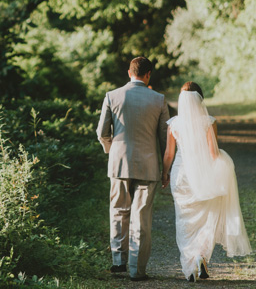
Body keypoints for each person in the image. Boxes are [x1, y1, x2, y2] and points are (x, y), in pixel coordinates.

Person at [162, 82, 252, 282]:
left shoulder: (174, 124)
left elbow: (169, 154)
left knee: (184, 220)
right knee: (206, 218)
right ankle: (200, 257)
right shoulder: (209, 122)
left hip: (181, 175)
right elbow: (213, 153)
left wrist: (164, 174)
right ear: (200, 100)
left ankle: (190, 265)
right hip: (202, 175)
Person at [96, 56, 169, 281]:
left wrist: (112, 150)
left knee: (118, 211)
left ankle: (118, 262)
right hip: (148, 166)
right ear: (148, 75)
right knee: (141, 216)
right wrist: (165, 169)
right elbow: (165, 140)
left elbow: (101, 133)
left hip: (118, 163)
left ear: (129, 72)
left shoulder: (112, 96)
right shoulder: (159, 100)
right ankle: (137, 269)